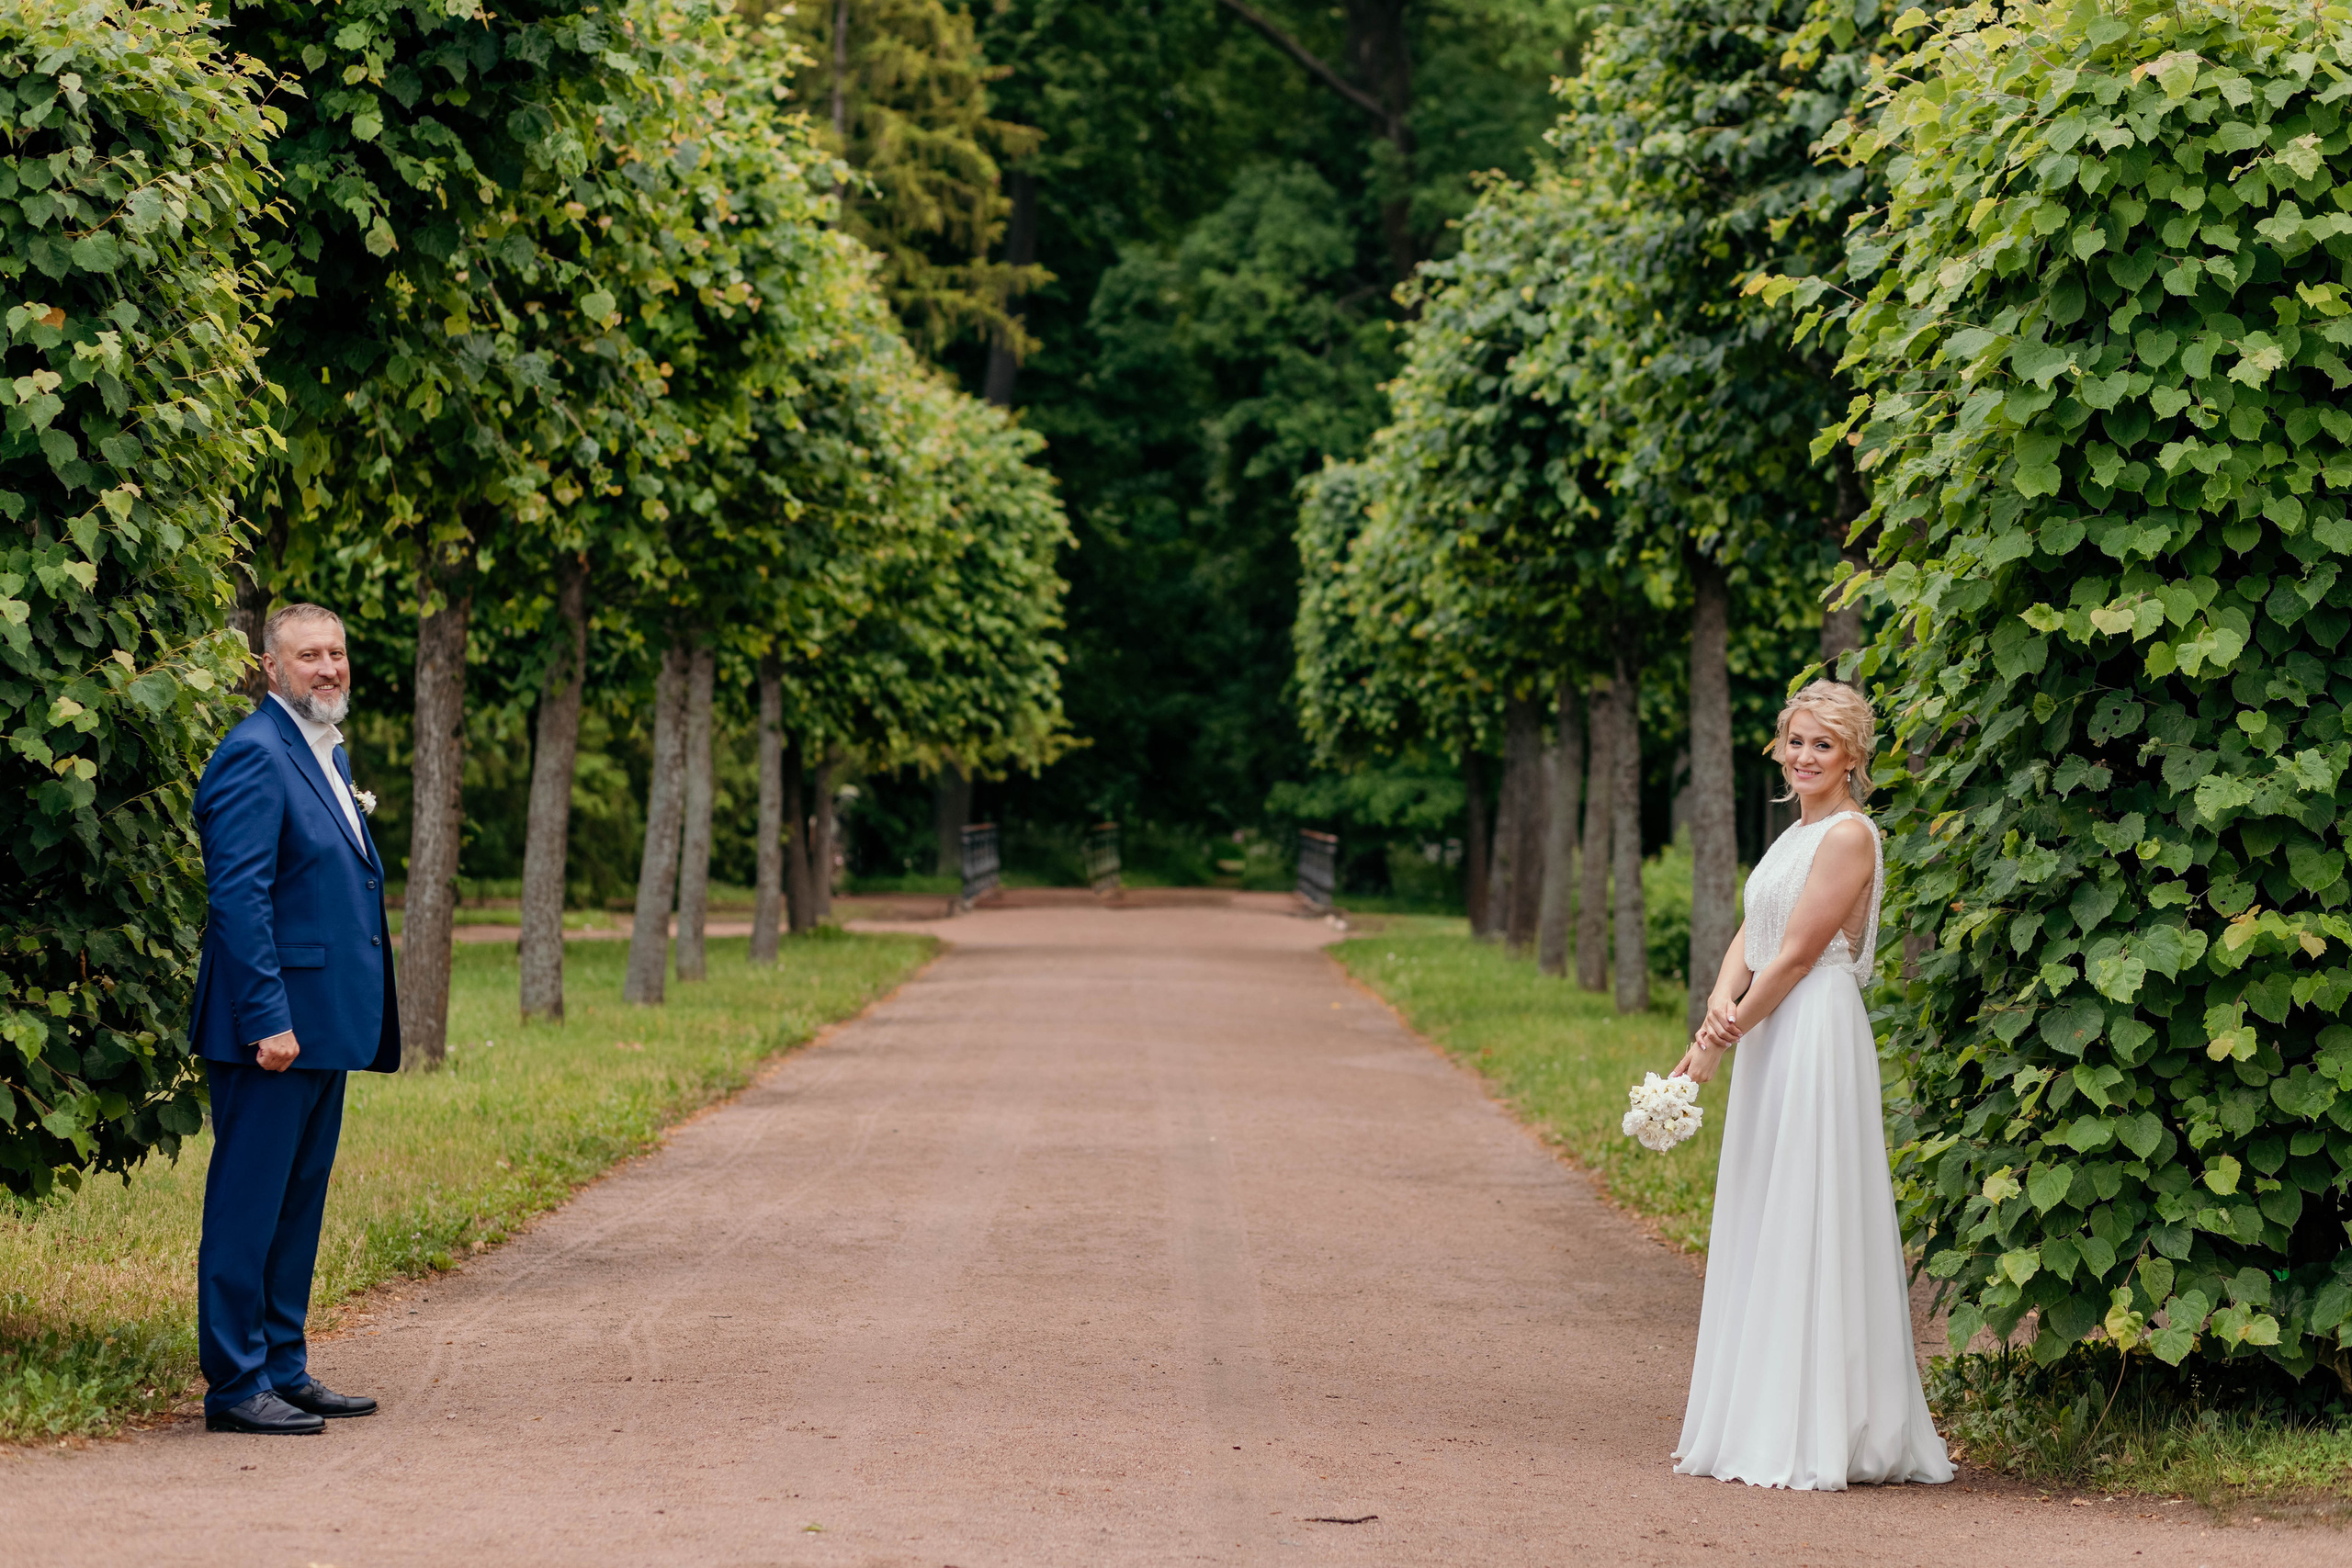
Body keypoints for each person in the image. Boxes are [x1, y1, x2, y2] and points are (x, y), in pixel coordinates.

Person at [1667, 680, 1951, 1491]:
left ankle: (1824, 1425)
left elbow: (1795, 954)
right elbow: (1752, 932)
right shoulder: (1793, 835)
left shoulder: (1851, 834)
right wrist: (1721, 999)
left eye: (1822, 744)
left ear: (1853, 755)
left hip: (1813, 1025)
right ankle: (1757, 1412)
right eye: (1795, 741)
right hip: (1768, 1023)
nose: (1804, 756)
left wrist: (1728, 1031)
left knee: (1811, 1203)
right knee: (1765, 1201)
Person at [189, 603, 400, 1435]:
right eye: (308, 655)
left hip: (323, 1025)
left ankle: (283, 1363)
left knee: (296, 1201)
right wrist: (267, 1018)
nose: (328, 667)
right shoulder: (252, 753)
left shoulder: (325, 750)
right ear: (270, 669)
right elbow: (238, 898)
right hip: (270, 1030)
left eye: (337, 653)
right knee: (249, 1203)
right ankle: (235, 1383)